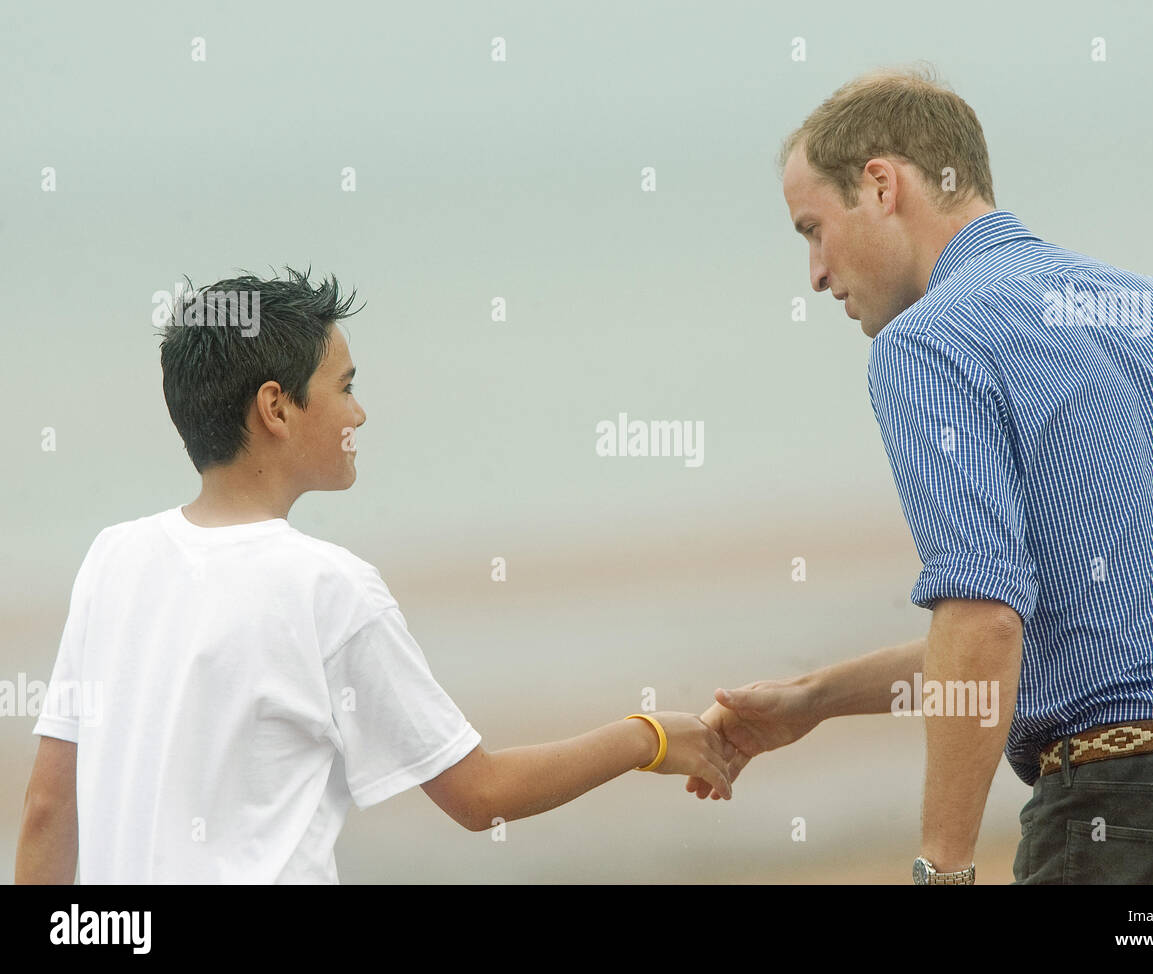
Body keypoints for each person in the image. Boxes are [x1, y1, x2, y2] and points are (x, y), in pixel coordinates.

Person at [687, 66, 1153, 885]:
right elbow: (1098, 640)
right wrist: (814, 698)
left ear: (880, 185)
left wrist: (944, 865)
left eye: (811, 229)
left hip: (1131, 815)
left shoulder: (928, 341)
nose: (816, 274)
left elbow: (984, 619)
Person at [15, 269, 734, 884]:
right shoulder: (328, 587)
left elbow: (49, 807)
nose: (360, 412)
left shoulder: (113, 557)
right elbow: (480, 796)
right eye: (345, 387)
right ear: (275, 408)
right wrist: (652, 738)